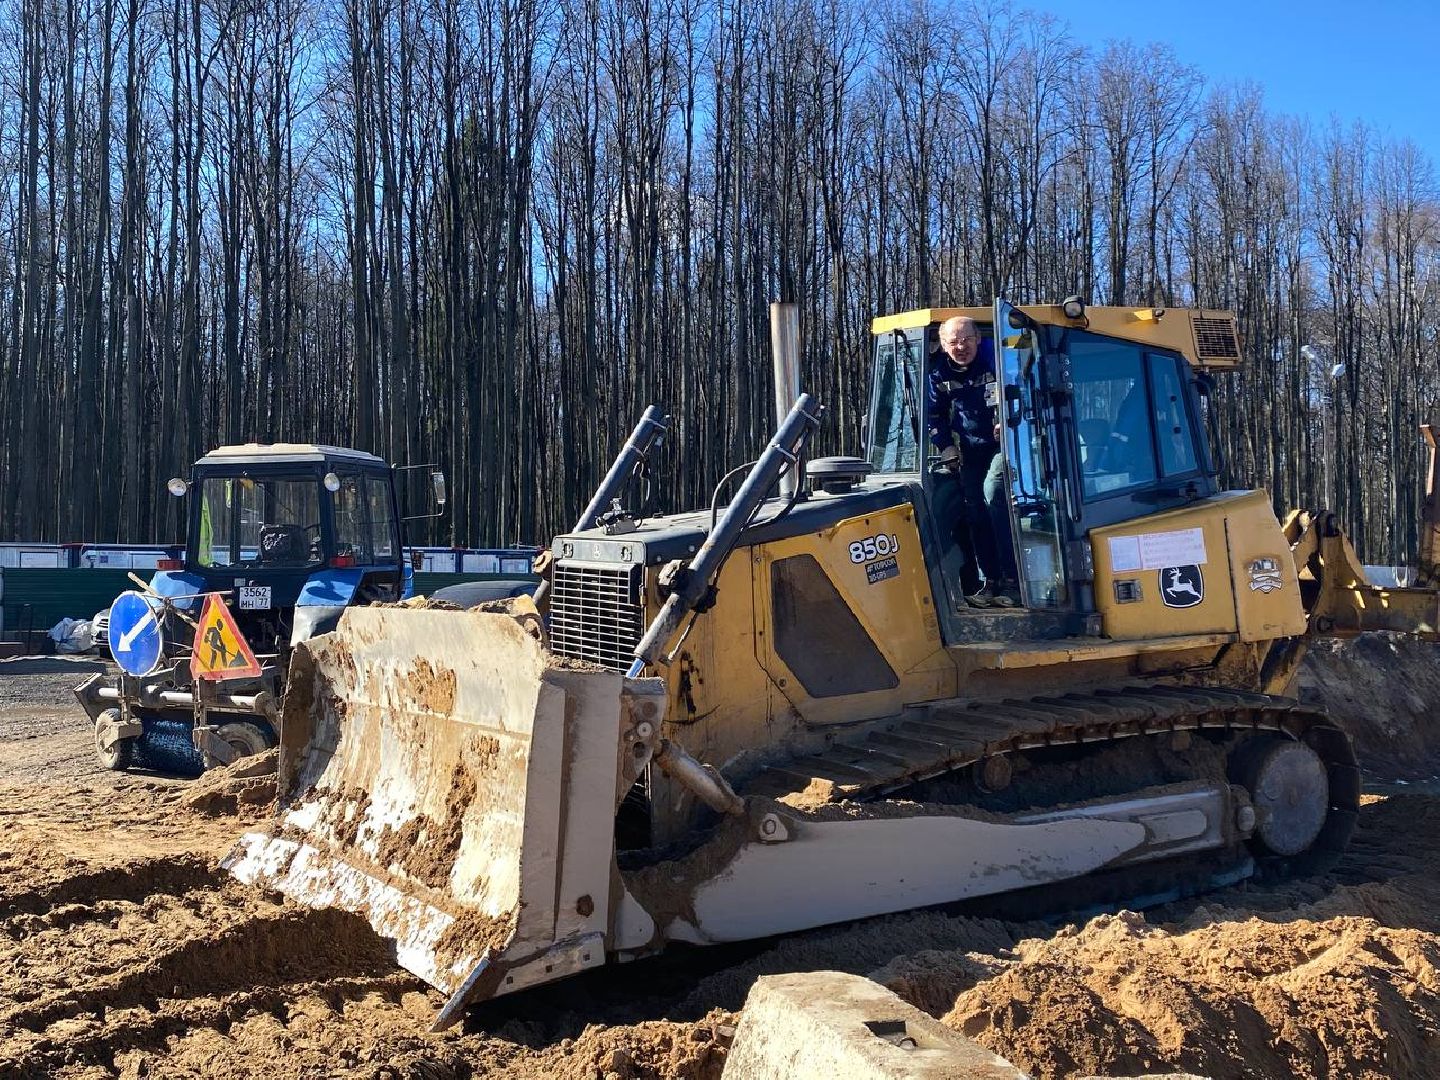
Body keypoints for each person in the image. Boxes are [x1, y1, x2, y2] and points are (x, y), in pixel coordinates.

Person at [925, 315, 1019, 608]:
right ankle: (990, 581)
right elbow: (934, 415)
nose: (961, 347)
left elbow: (1023, 390)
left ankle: (1014, 581)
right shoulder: (939, 374)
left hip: (1006, 445)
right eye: (953, 342)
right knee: (974, 510)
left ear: (979, 339)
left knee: (993, 492)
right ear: (943, 345)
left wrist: (1008, 419)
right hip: (971, 448)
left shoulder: (999, 358)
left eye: (966, 339)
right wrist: (945, 446)